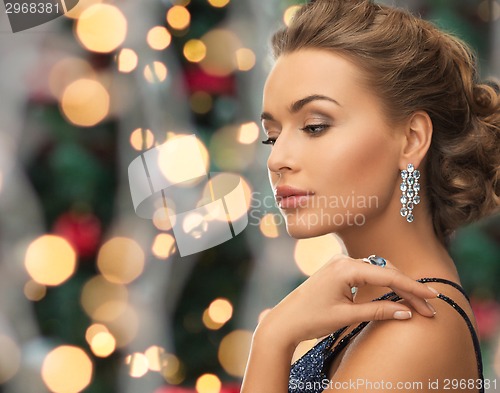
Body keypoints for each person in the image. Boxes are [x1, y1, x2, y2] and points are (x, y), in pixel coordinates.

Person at [241, 0, 499, 392]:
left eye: (314, 126)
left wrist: (271, 339)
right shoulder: (366, 309)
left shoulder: (415, 328)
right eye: (272, 137)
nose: (277, 159)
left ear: (411, 139)